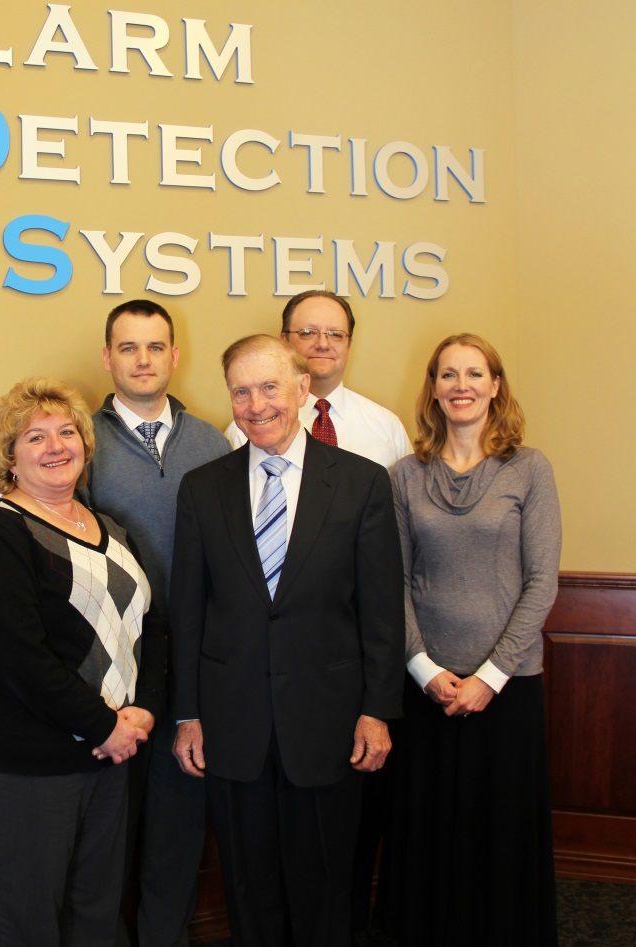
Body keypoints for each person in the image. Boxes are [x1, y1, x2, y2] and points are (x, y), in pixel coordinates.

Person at [171, 334, 403, 947]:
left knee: (326, 880)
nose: (256, 404)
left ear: (303, 388)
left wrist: (377, 711)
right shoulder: (202, 487)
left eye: (270, 387)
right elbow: (188, 611)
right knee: (248, 882)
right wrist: (188, 714)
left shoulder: (362, 483)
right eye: (241, 391)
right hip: (231, 719)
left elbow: (381, 613)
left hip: (329, 721)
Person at [0, 377, 167, 946]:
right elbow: (20, 659)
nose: (55, 446)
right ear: (10, 458)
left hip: (109, 753)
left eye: (66, 431)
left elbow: (150, 628)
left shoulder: (110, 529)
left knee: (95, 912)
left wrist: (142, 711)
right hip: (24, 763)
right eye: (35, 437)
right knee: (25, 920)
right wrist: (103, 726)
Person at [377, 334, 560, 946]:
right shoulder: (405, 475)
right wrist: (422, 667)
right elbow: (393, 582)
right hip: (426, 685)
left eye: (474, 373)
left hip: (506, 688)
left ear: (495, 386)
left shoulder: (529, 468)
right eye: (448, 374)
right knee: (425, 830)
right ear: (433, 388)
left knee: (500, 830)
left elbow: (541, 581)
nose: (462, 385)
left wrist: (491, 677)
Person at [84, 299, 229, 947]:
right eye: (128, 347)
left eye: (154, 346)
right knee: (109, 824)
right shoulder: (79, 441)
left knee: (177, 824)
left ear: (174, 356)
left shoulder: (213, 441)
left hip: (195, 657)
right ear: (107, 357)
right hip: (110, 662)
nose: (142, 359)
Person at [225, 290, 410, 469]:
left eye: (335, 334)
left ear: (349, 345)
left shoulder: (388, 427)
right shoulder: (247, 428)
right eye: (307, 332)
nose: (322, 344)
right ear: (284, 341)